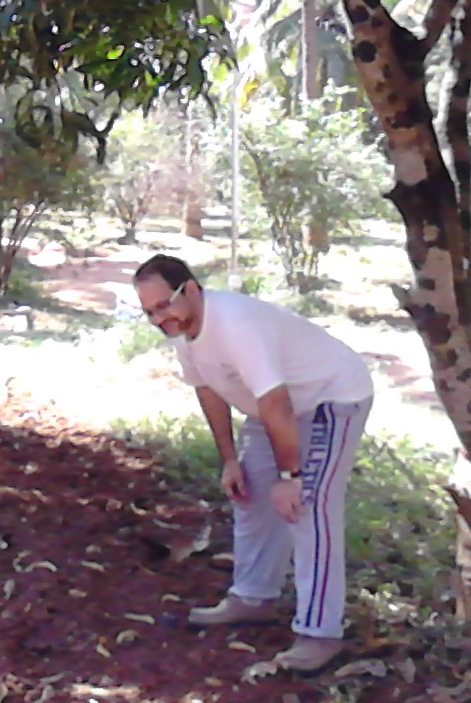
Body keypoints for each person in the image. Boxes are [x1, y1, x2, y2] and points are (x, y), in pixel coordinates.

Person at [134, 253, 374, 673]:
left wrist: (291, 477)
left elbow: (276, 401)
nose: (159, 319)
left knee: (308, 506)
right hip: (272, 409)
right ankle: (253, 597)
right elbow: (208, 390)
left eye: (164, 305)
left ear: (191, 289)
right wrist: (230, 460)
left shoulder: (237, 324)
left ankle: (320, 634)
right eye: (149, 312)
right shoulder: (183, 329)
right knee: (248, 490)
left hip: (329, 397)